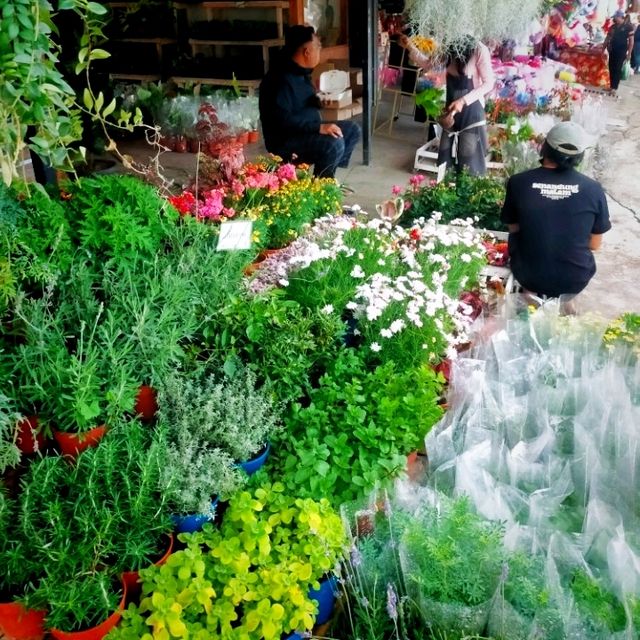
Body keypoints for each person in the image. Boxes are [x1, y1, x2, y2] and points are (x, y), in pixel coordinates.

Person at [501, 122, 611, 302]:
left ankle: (529, 301)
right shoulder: (593, 189)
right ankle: (565, 307)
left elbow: (514, 228)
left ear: (544, 147)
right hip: (574, 279)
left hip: (529, 274)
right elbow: (595, 244)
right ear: (580, 155)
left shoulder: (519, 182)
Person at [259, 25, 361, 179]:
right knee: (333, 144)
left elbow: (303, 102)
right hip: (285, 141)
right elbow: (282, 120)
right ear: (307, 52)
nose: (320, 51)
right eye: (318, 47)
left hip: (306, 130)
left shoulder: (301, 72)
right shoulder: (279, 79)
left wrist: (320, 99)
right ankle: (321, 187)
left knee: (352, 130)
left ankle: (326, 175)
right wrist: (318, 127)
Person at [399, 33, 495, 175]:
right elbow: (429, 64)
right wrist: (410, 46)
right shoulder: (448, 48)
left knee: (470, 166)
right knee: (446, 164)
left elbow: (489, 83)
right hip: (451, 117)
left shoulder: (479, 49)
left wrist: (463, 101)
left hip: (472, 116)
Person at [602, 10, 634, 95]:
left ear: (620, 17)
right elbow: (607, 38)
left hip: (621, 51)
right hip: (612, 50)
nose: (614, 19)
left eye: (615, 17)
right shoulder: (613, 27)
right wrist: (603, 48)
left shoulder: (629, 27)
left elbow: (631, 41)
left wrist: (629, 53)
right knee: (611, 68)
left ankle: (614, 88)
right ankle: (611, 86)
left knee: (617, 68)